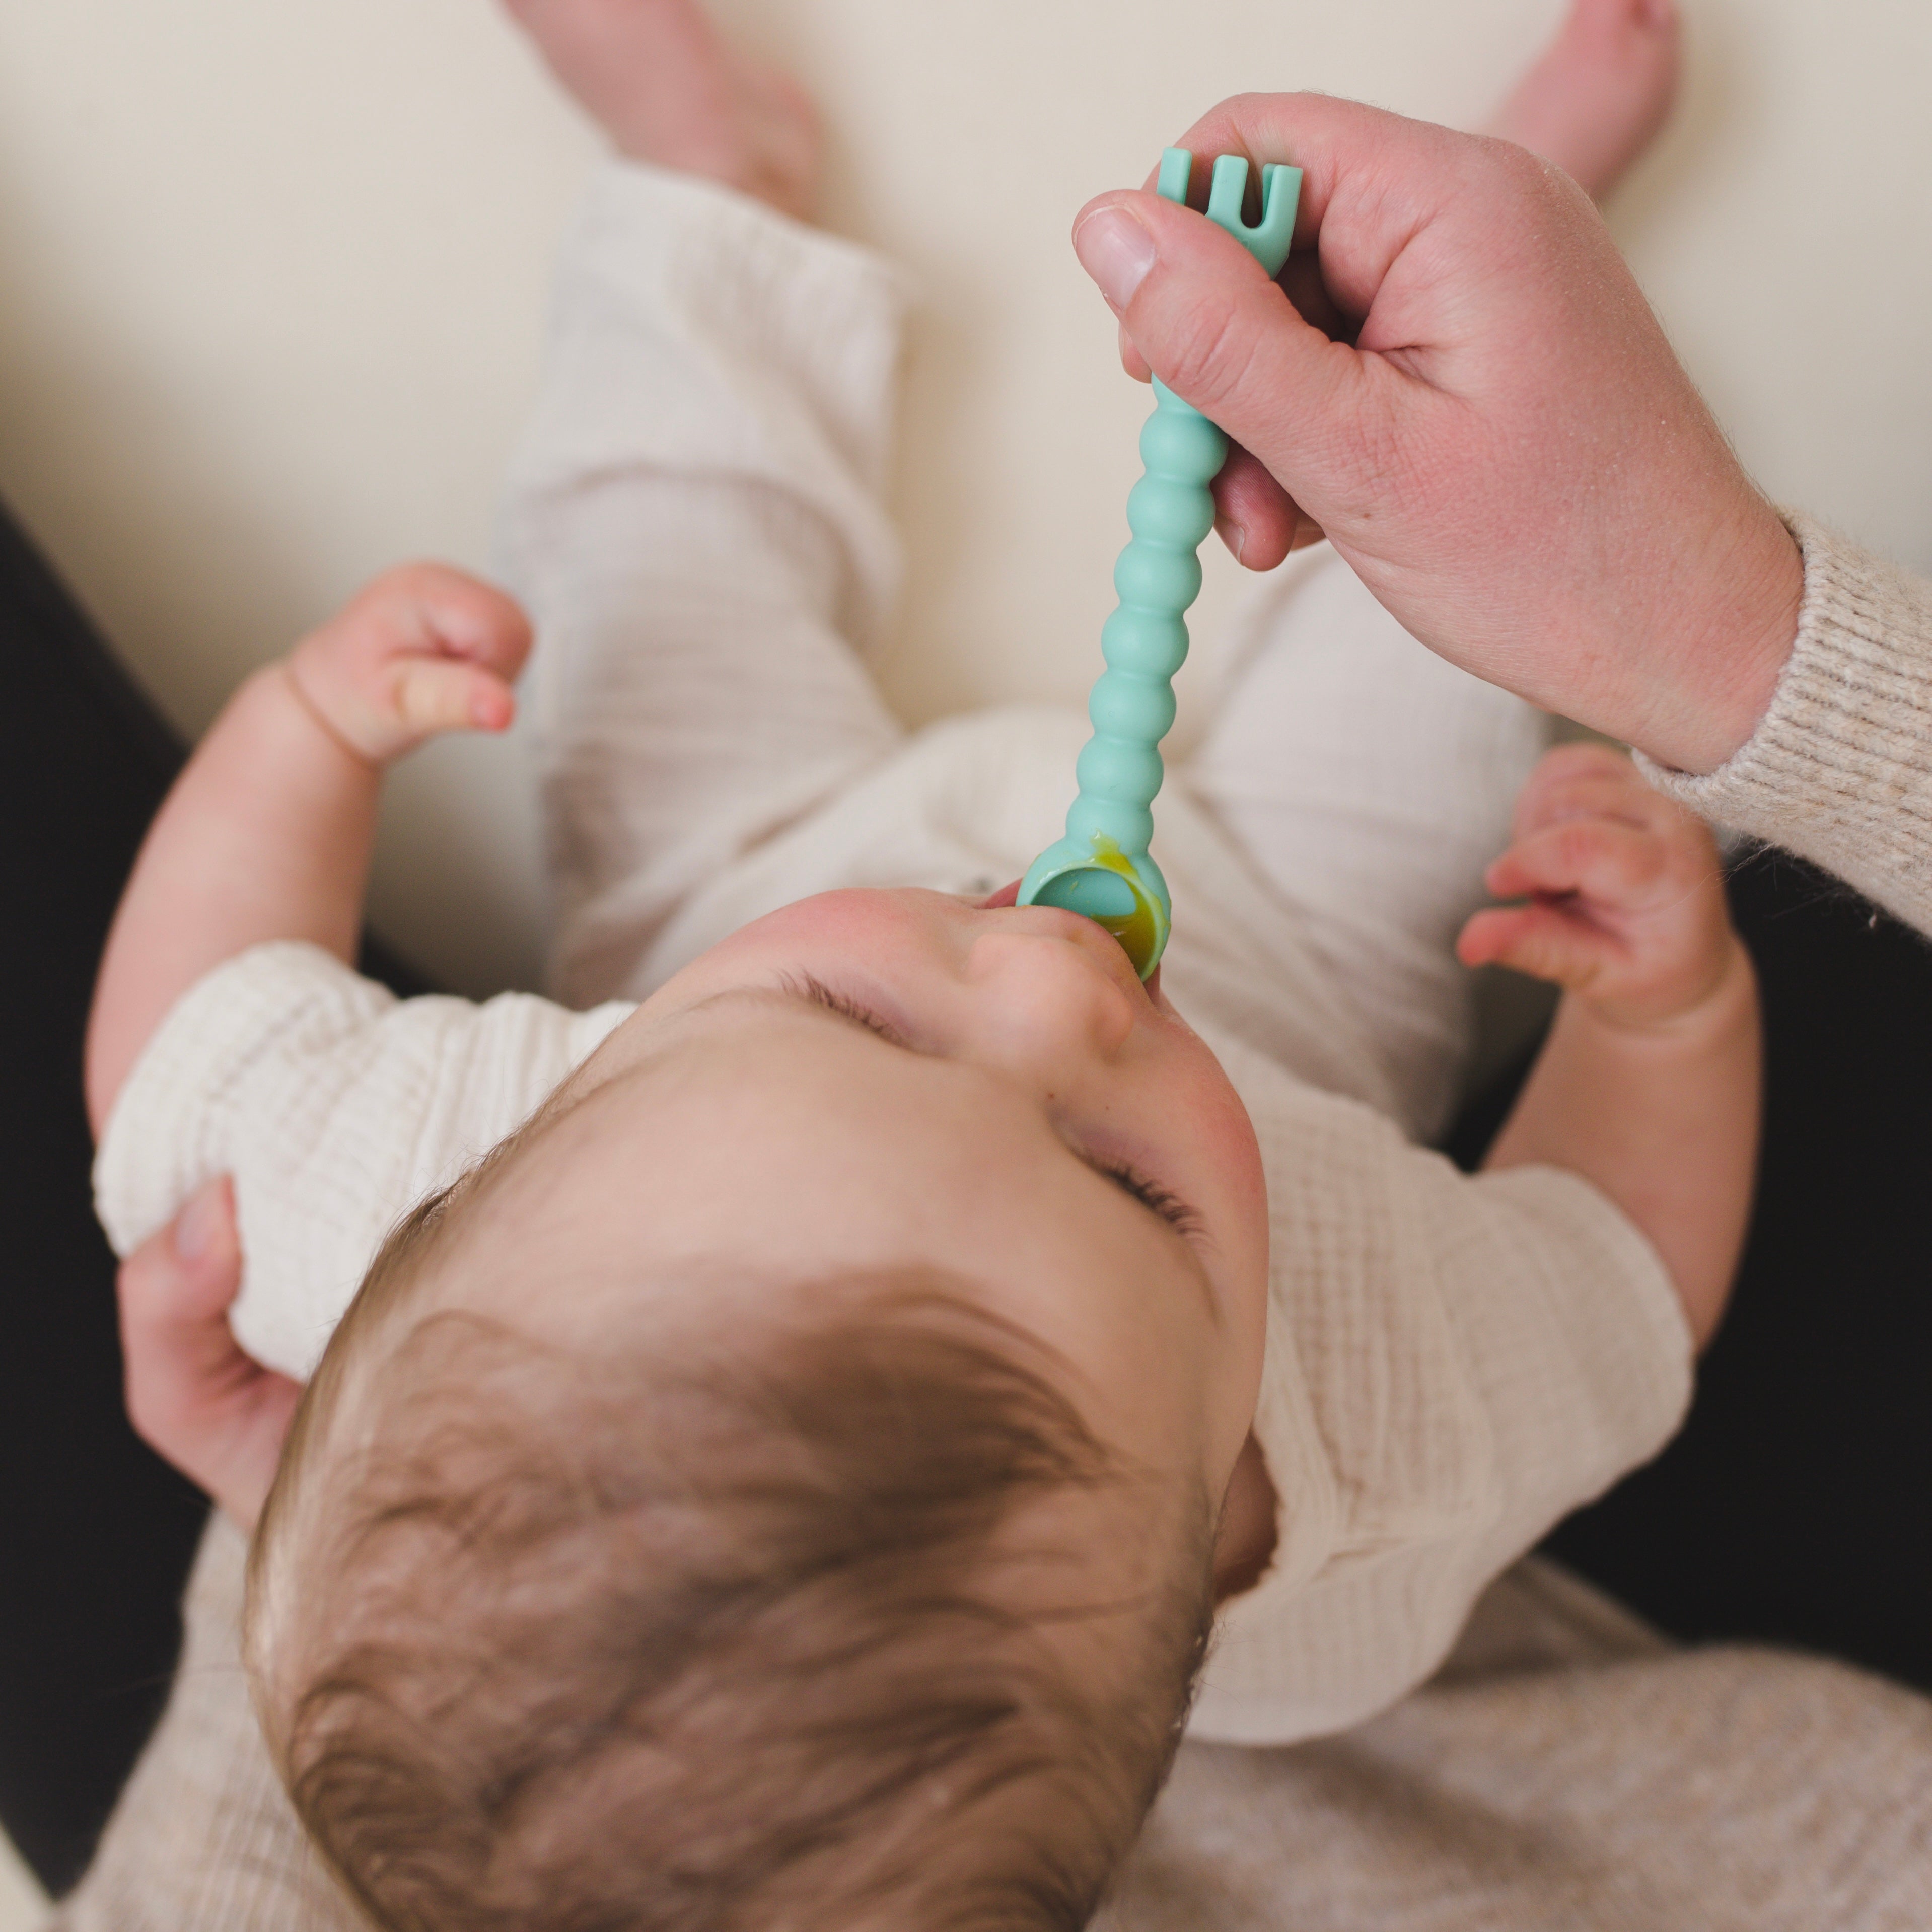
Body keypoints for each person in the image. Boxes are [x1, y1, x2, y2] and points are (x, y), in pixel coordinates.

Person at [66, 0, 1766, 1924]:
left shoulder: (406, 1191)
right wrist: (1664, 1021)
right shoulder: (1371, 1464)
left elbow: (185, 1058)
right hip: (1282, 961)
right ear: (1211, 1540)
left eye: (848, 1026)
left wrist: (304, 730)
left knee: (643, 573)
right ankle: (1474, 336)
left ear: (497, 1164)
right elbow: (1616, 1285)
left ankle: (713, 190)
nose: (1058, 988)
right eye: (1134, 1199)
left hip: (735, 865)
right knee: (1451, 689)